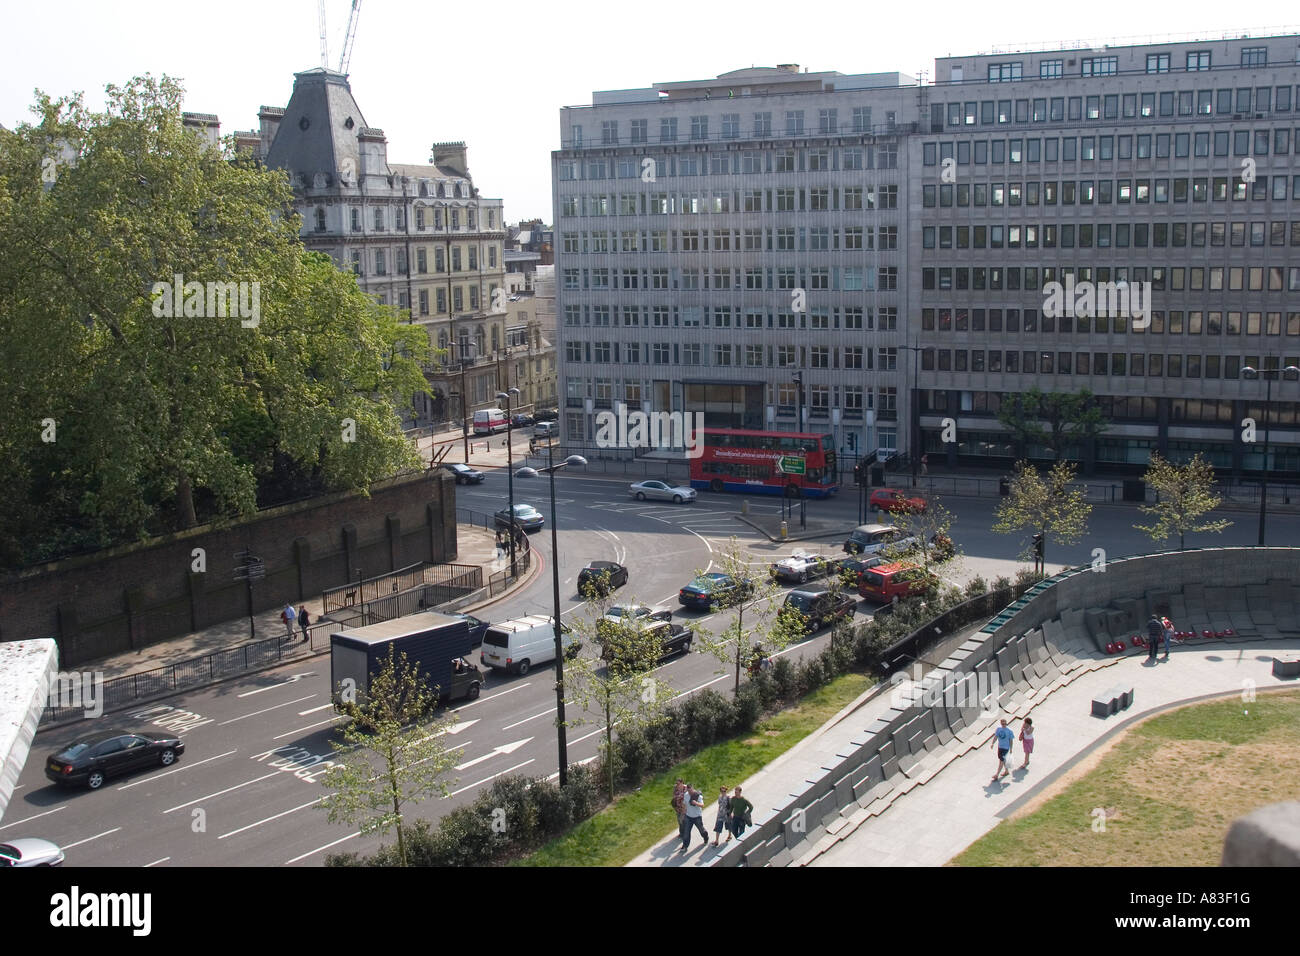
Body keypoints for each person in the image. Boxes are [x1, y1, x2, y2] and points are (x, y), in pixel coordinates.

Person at [680, 785, 708, 852]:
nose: (689, 792)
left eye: (690, 791)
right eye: (688, 791)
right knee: (686, 832)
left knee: (701, 830)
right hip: (688, 817)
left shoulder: (698, 796)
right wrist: (682, 815)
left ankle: (705, 837)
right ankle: (685, 845)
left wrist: (696, 803)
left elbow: (702, 805)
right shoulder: (686, 795)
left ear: (693, 789)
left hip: (697, 817)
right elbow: (684, 805)